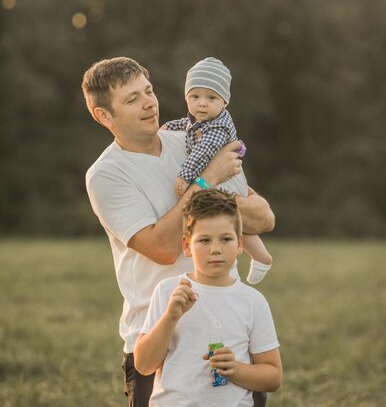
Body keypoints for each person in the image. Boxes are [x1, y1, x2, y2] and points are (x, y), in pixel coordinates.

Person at [81, 57, 276, 407]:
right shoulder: (106, 175)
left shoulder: (188, 138)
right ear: (103, 116)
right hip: (159, 340)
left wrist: (212, 183)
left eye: (149, 90)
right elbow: (163, 247)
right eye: (131, 99)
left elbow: (263, 219)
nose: (149, 103)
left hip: (229, 331)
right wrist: (207, 181)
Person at [134, 189, 282, 407]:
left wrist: (237, 370)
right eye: (204, 240)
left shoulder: (252, 301)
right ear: (186, 246)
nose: (215, 249)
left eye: (225, 239)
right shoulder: (168, 291)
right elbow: (144, 365)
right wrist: (171, 317)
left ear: (240, 244)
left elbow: (273, 377)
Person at [164, 57, 272, 285]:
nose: (201, 104)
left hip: (227, 176)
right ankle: (261, 256)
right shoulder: (199, 118)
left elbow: (203, 151)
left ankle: (261, 256)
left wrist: (184, 175)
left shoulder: (218, 127)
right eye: (195, 97)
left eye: (211, 98)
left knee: (229, 215)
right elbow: (185, 126)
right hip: (220, 173)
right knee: (228, 216)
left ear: (224, 102)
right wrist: (165, 128)